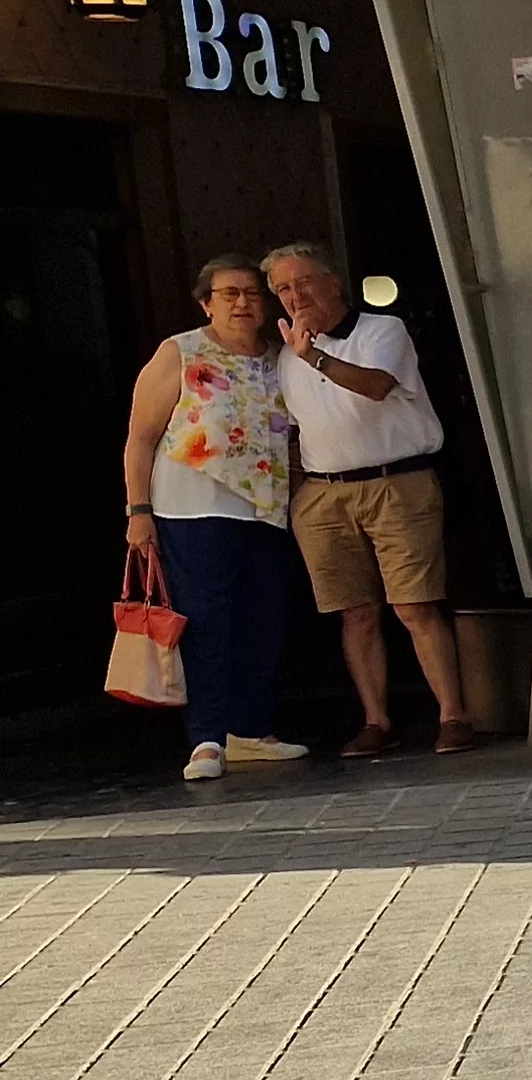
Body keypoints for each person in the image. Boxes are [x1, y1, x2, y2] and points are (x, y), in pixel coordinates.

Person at [267, 242, 471, 758]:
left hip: (395, 483)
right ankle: (376, 721)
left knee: (414, 606)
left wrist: (311, 354)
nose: (296, 295)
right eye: (283, 288)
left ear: (335, 283)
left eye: (305, 281)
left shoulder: (382, 330)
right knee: (355, 614)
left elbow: (376, 386)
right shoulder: (285, 356)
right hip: (324, 494)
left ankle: (452, 716)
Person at [123, 256, 309, 782]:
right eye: (229, 294)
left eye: (252, 293)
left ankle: (249, 730)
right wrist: (138, 511)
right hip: (191, 507)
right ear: (205, 302)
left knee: (263, 619)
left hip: (266, 509)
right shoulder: (180, 352)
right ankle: (206, 738)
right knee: (205, 623)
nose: (243, 303)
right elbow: (140, 437)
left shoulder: (281, 358)